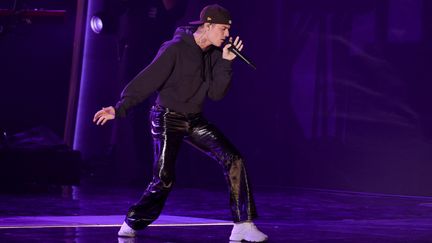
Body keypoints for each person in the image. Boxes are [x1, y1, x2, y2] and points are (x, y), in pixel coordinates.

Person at [93, 4, 268, 242]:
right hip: (166, 116)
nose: (227, 35)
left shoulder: (217, 54)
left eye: (228, 30)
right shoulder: (175, 48)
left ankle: (243, 224)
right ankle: (134, 220)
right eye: (223, 29)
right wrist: (119, 107)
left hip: (194, 119)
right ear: (207, 26)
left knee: (234, 159)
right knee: (164, 179)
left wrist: (226, 63)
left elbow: (216, 95)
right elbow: (147, 79)